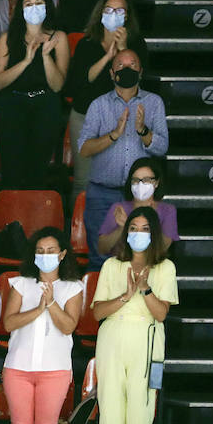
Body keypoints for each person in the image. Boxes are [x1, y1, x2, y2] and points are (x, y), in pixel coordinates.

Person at [91, 206, 177, 424]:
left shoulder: (166, 267)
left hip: (146, 341)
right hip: (112, 338)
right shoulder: (111, 265)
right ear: (126, 233)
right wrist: (125, 297)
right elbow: (98, 313)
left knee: (141, 408)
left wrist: (145, 290)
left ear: (154, 233)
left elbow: (161, 314)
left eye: (145, 229)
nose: (138, 233)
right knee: (110, 407)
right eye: (133, 228)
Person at [77, 49, 168, 269]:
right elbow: (84, 148)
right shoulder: (98, 105)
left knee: (140, 258)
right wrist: (113, 135)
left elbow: (162, 147)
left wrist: (143, 130)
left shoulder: (154, 103)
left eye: (132, 65)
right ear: (111, 73)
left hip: (140, 195)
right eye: (120, 66)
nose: (126, 70)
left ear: (141, 71)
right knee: (101, 259)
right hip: (102, 193)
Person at [2, 227, 85, 424]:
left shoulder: (72, 287)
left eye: (50, 251)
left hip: (54, 369)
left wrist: (51, 303)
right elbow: (9, 323)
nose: (45, 255)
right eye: (40, 250)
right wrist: (37, 310)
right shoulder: (21, 284)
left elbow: (68, 327)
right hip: (18, 367)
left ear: (62, 254)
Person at [65, 0, 146, 198]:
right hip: (86, 118)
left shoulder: (137, 45)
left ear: (127, 16)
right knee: (84, 180)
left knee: (122, 179)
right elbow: (81, 81)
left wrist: (123, 50)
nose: (113, 14)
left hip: (122, 119)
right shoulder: (87, 44)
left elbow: (135, 83)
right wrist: (108, 56)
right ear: (100, 14)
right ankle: (80, 229)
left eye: (119, 10)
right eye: (108, 10)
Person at [0, 0, 70, 190]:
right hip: (13, 106)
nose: (33, 8)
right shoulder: (6, 39)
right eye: (28, 4)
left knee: (38, 173)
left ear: (47, 7)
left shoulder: (58, 38)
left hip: (46, 105)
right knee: (12, 172)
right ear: (21, 9)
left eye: (39, 3)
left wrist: (44, 56)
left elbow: (58, 85)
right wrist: (26, 61)